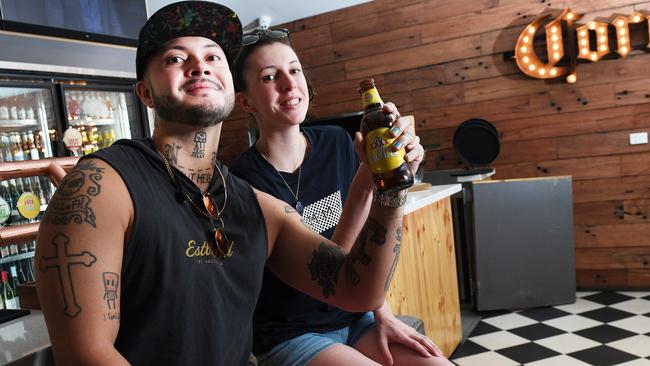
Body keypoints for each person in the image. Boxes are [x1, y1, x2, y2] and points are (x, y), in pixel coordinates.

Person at [34, 1, 422, 365]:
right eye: (175, 58)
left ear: (232, 92)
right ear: (145, 93)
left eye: (212, 57)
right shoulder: (101, 187)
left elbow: (357, 289)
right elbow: (85, 355)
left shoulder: (254, 205)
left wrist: (391, 188)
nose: (199, 66)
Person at [230, 29, 454, 366]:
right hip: (292, 333)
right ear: (245, 101)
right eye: (270, 77)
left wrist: (384, 314)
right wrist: (369, 183)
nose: (290, 85)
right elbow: (333, 269)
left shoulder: (337, 142)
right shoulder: (242, 183)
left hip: (355, 317)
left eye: (295, 70)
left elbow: (367, 241)